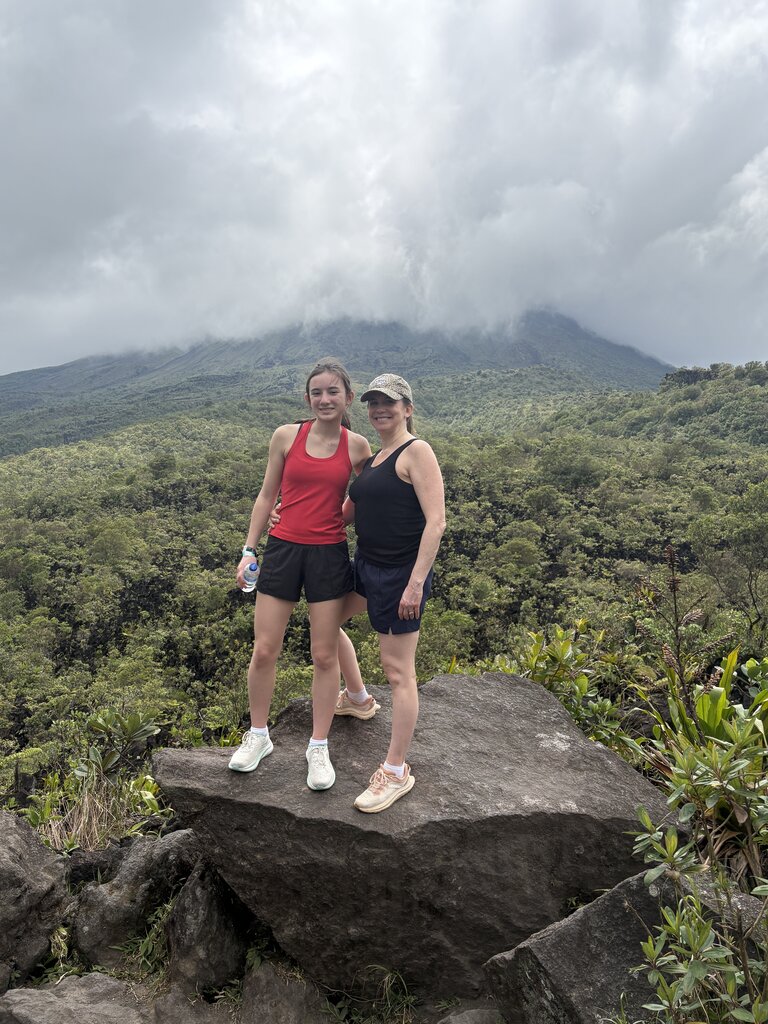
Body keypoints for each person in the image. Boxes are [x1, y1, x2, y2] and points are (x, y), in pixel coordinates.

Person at [227, 359, 375, 791]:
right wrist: (249, 550)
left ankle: (318, 745)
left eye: (333, 392)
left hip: (328, 554)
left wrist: (332, 517)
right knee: (264, 649)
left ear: (348, 398)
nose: (324, 399)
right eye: (317, 392)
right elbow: (266, 495)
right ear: (308, 398)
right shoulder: (286, 436)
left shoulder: (357, 446)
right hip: (283, 550)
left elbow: (363, 500)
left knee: (324, 655)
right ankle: (258, 735)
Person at [340, 373, 446, 812]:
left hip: (400, 574)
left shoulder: (416, 451)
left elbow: (436, 522)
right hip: (365, 565)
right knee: (325, 624)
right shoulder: (375, 457)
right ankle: (358, 698)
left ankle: (396, 770)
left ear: (408, 408)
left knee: (398, 671)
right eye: (373, 403)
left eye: (389, 402)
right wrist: (289, 517)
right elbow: (347, 514)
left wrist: (415, 584)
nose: (380, 409)